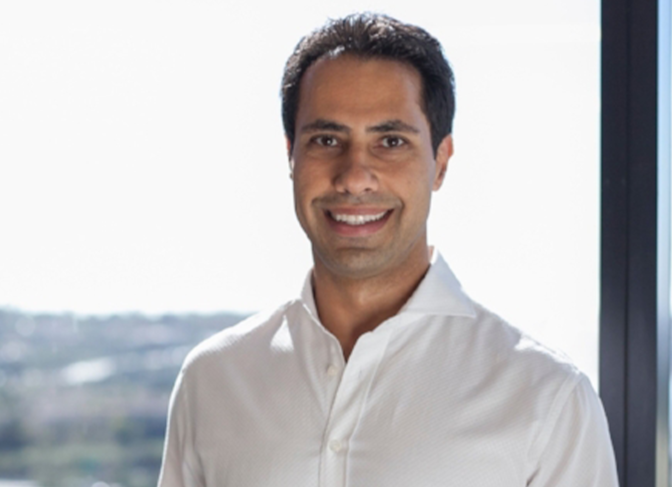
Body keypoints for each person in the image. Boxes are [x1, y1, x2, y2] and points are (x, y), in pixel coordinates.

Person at [158, 13, 619, 487]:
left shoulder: (547, 399)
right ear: (290, 156)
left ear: (441, 163)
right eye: (326, 140)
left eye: (391, 141)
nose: (355, 177)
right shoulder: (212, 382)